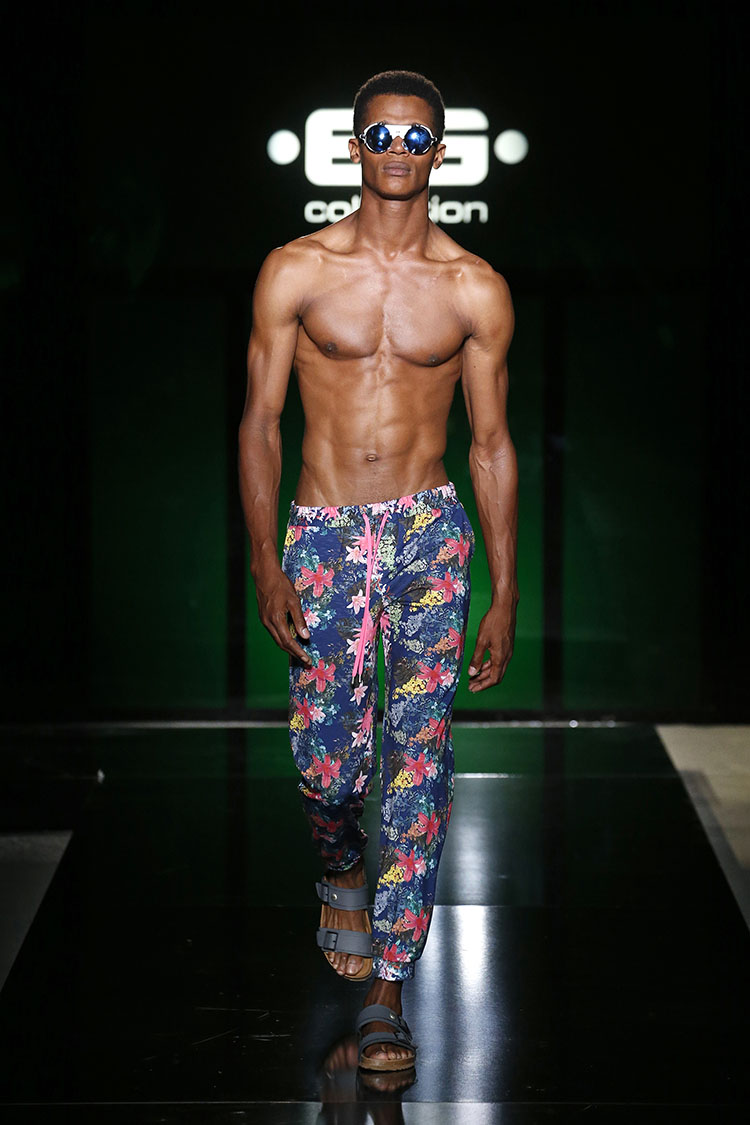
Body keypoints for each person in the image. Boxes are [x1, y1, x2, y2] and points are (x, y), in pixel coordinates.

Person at [238, 69, 518, 1072]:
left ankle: (389, 990)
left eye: (415, 137)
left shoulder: (474, 287)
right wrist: (267, 560)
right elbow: (261, 423)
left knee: (417, 762)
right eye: (381, 135)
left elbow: (491, 443)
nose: (398, 151)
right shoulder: (296, 271)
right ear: (352, 146)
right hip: (322, 532)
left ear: (441, 151)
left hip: (428, 533)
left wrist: (505, 589)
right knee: (328, 766)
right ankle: (342, 866)